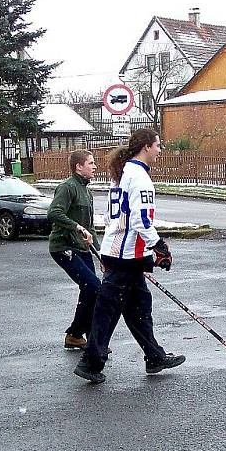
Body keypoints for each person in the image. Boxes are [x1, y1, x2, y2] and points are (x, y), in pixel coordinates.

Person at [74, 128, 184, 384]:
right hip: (125, 256)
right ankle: (91, 362)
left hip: (121, 252)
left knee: (139, 308)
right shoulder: (139, 178)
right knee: (107, 311)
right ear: (145, 146)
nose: (159, 150)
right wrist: (158, 246)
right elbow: (139, 219)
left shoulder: (123, 173)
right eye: (158, 145)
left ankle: (154, 355)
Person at [47, 149, 101, 350]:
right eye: (91, 163)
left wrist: (101, 254)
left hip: (81, 248)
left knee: (92, 290)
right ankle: (78, 334)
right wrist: (76, 227)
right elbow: (54, 213)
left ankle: (77, 336)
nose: (95, 167)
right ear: (78, 167)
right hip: (63, 247)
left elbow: (91, 227)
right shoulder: (67, 187)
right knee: (94, 286)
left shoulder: (87, 191)